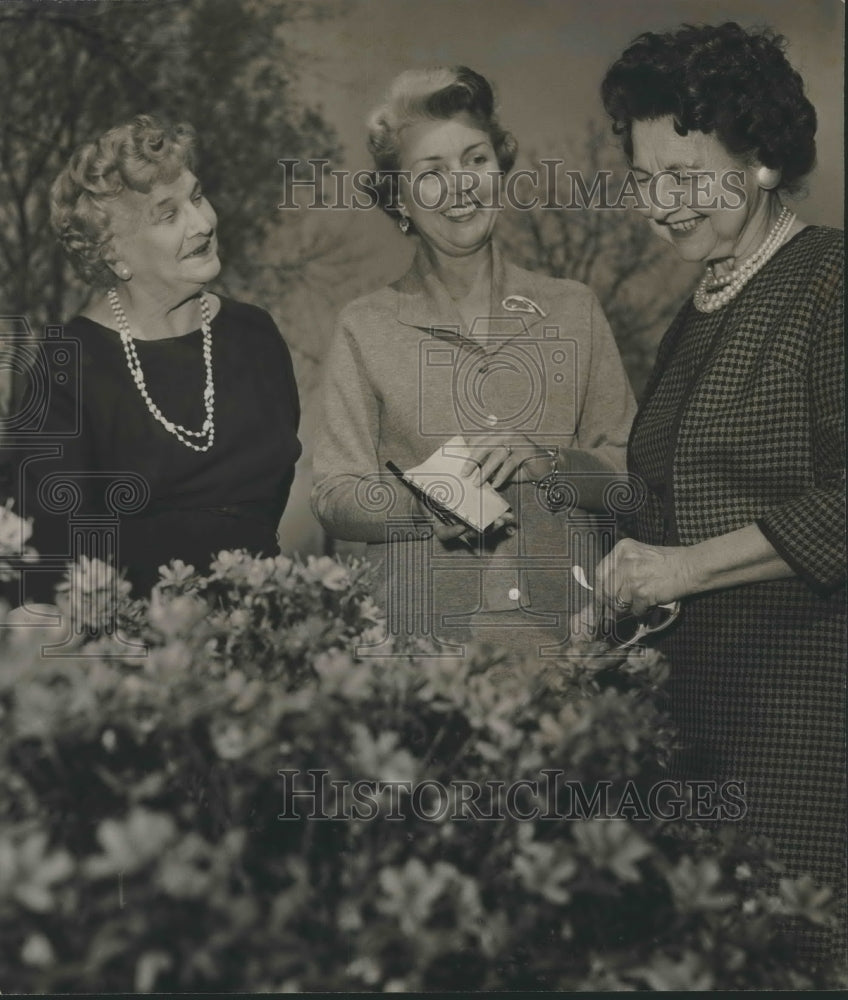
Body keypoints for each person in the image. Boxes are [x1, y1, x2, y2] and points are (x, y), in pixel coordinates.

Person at [591, 22, 845, 965]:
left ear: (763, 160)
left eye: (686, 176)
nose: (661, 204)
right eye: (644, 178)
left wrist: (684, 569)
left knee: (790, 958)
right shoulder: (692, 317)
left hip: (801, 728)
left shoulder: (830, 280)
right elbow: (661, 509)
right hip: (694, 726)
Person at [311, 67, 636, 660]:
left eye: (475, 160)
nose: (460, 186)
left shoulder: (574, 309)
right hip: (422, 649)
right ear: (399, 199)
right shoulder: (366, 326)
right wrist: (422, 504)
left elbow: (627, 477)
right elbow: (335, 495)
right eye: (431, 173)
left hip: (567, 645)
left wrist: (549, 463)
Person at [1, 114, 301, 602]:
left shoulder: (256, 336)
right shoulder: (68, 366)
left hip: (264, 619)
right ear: (113, 253)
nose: (203, 223)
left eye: (197, 197)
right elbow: (45, 561)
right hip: (135, 633)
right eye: (168, 215)